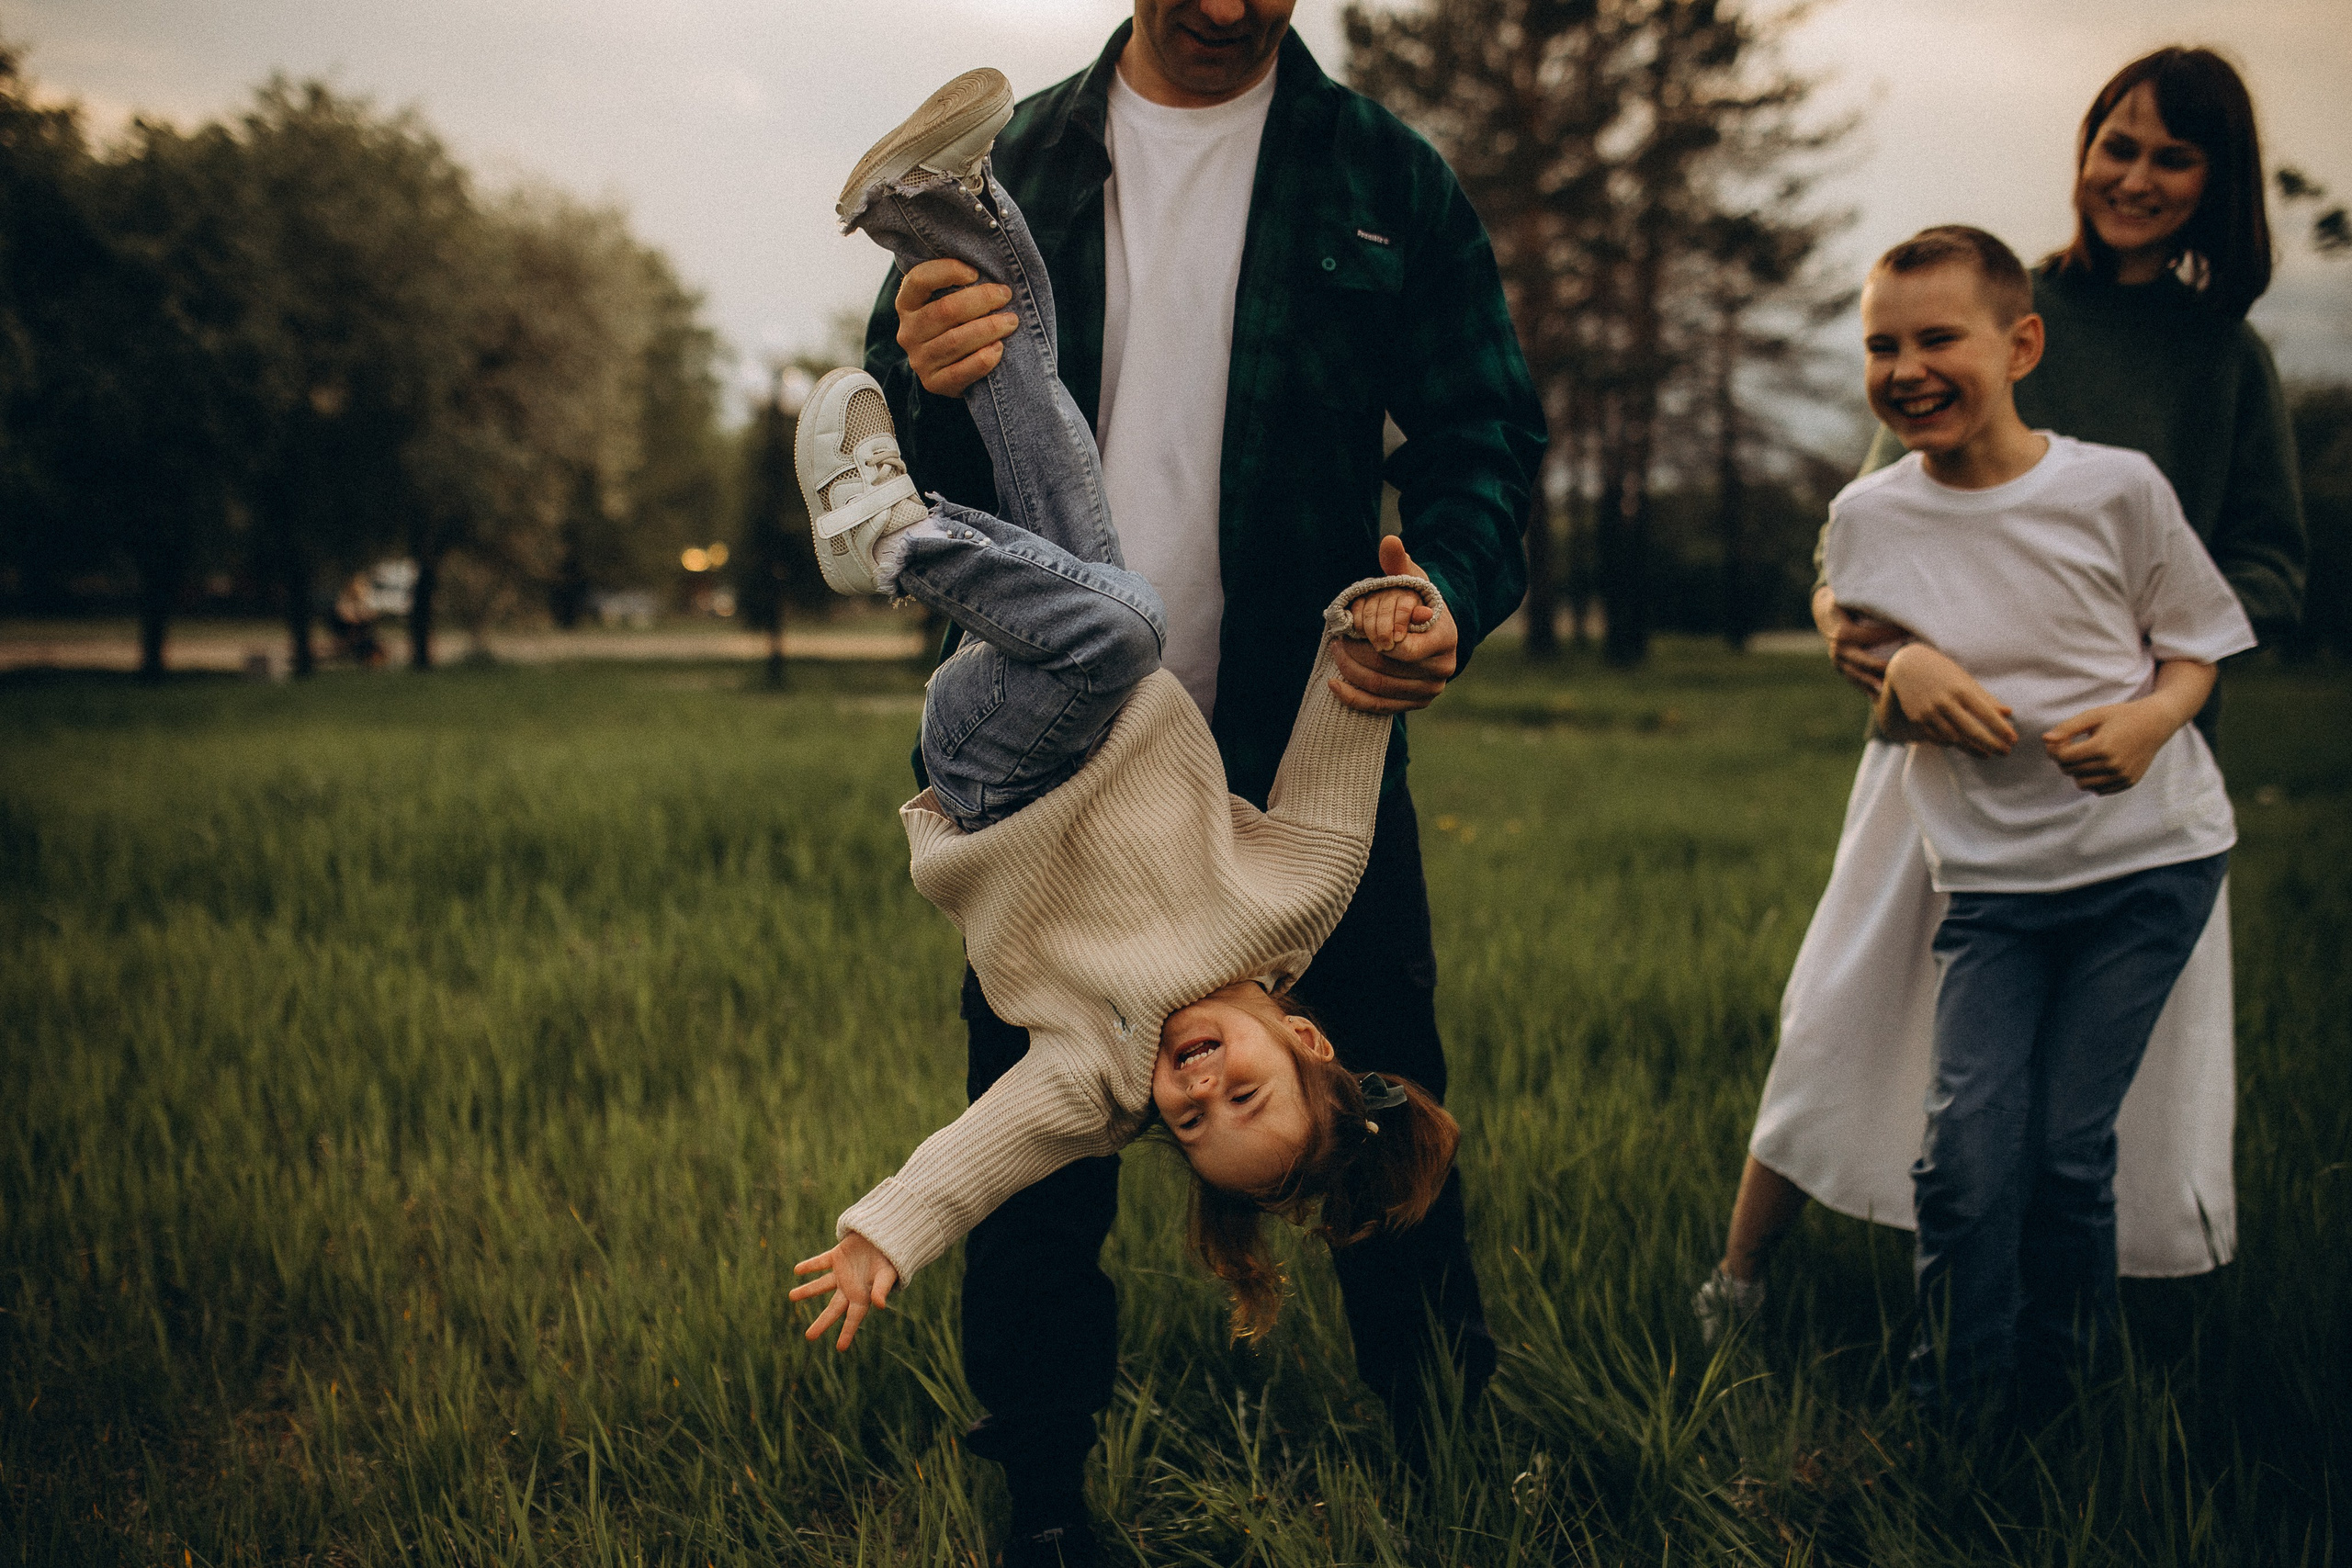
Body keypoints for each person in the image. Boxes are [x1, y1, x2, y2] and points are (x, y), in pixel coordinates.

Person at [862, 4, 1546, 1553]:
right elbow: (892, 433)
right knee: (1036, 1144)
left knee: (1381, 1089)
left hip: (1312, 731)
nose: (1230, 5)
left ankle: (1446, 1468)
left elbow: (1485, 430)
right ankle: (1043, 1508)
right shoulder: (1017, 161)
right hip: (1063, 770)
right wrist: (922, 372)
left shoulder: (1383, 176)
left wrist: (1444, 587)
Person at [1701, 47, 2306, 1342]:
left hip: (2120, 781)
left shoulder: (2226, 360)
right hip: (1941, 761)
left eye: (2173, 156)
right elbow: (1854, 553)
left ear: (2218, 183)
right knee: (1845, 1016)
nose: (2134, 177)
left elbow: (2266, 569)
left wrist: (2151, 695)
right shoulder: (1984, 310)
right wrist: (1890, 659)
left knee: (2087, 1094)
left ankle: (2069, 1334)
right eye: (2117, 144)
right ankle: (1740, 1277)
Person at [1822, 224, 2252, 1411]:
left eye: (1939, 339)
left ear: (2021, 347)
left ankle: (2065, 1398)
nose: (1907, 369)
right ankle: (1955, 1405)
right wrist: (1902, 668)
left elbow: (2198, 642)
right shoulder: (1868, 517)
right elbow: (1862, 652)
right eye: (1882, 347)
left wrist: (2150, 721)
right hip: (1992, 882)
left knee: (2067, 1151)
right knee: (1966, 1151)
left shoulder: (2115, 488)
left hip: (2147, 864)